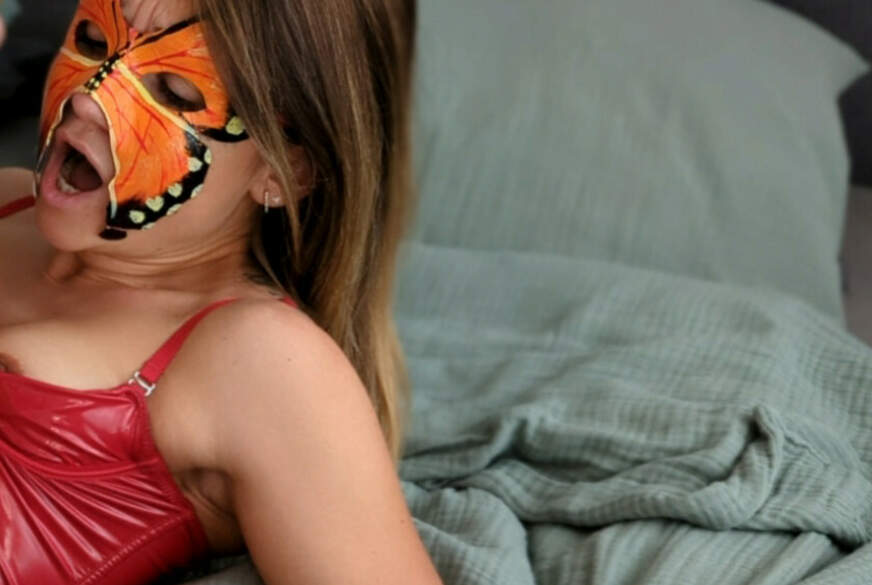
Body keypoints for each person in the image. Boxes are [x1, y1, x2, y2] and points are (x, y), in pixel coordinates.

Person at [0, 0, 443, 584]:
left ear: (285, 170)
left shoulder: (266, 361)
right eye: (91, 39)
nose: (90, 96)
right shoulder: (8, 197)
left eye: (175, 91)